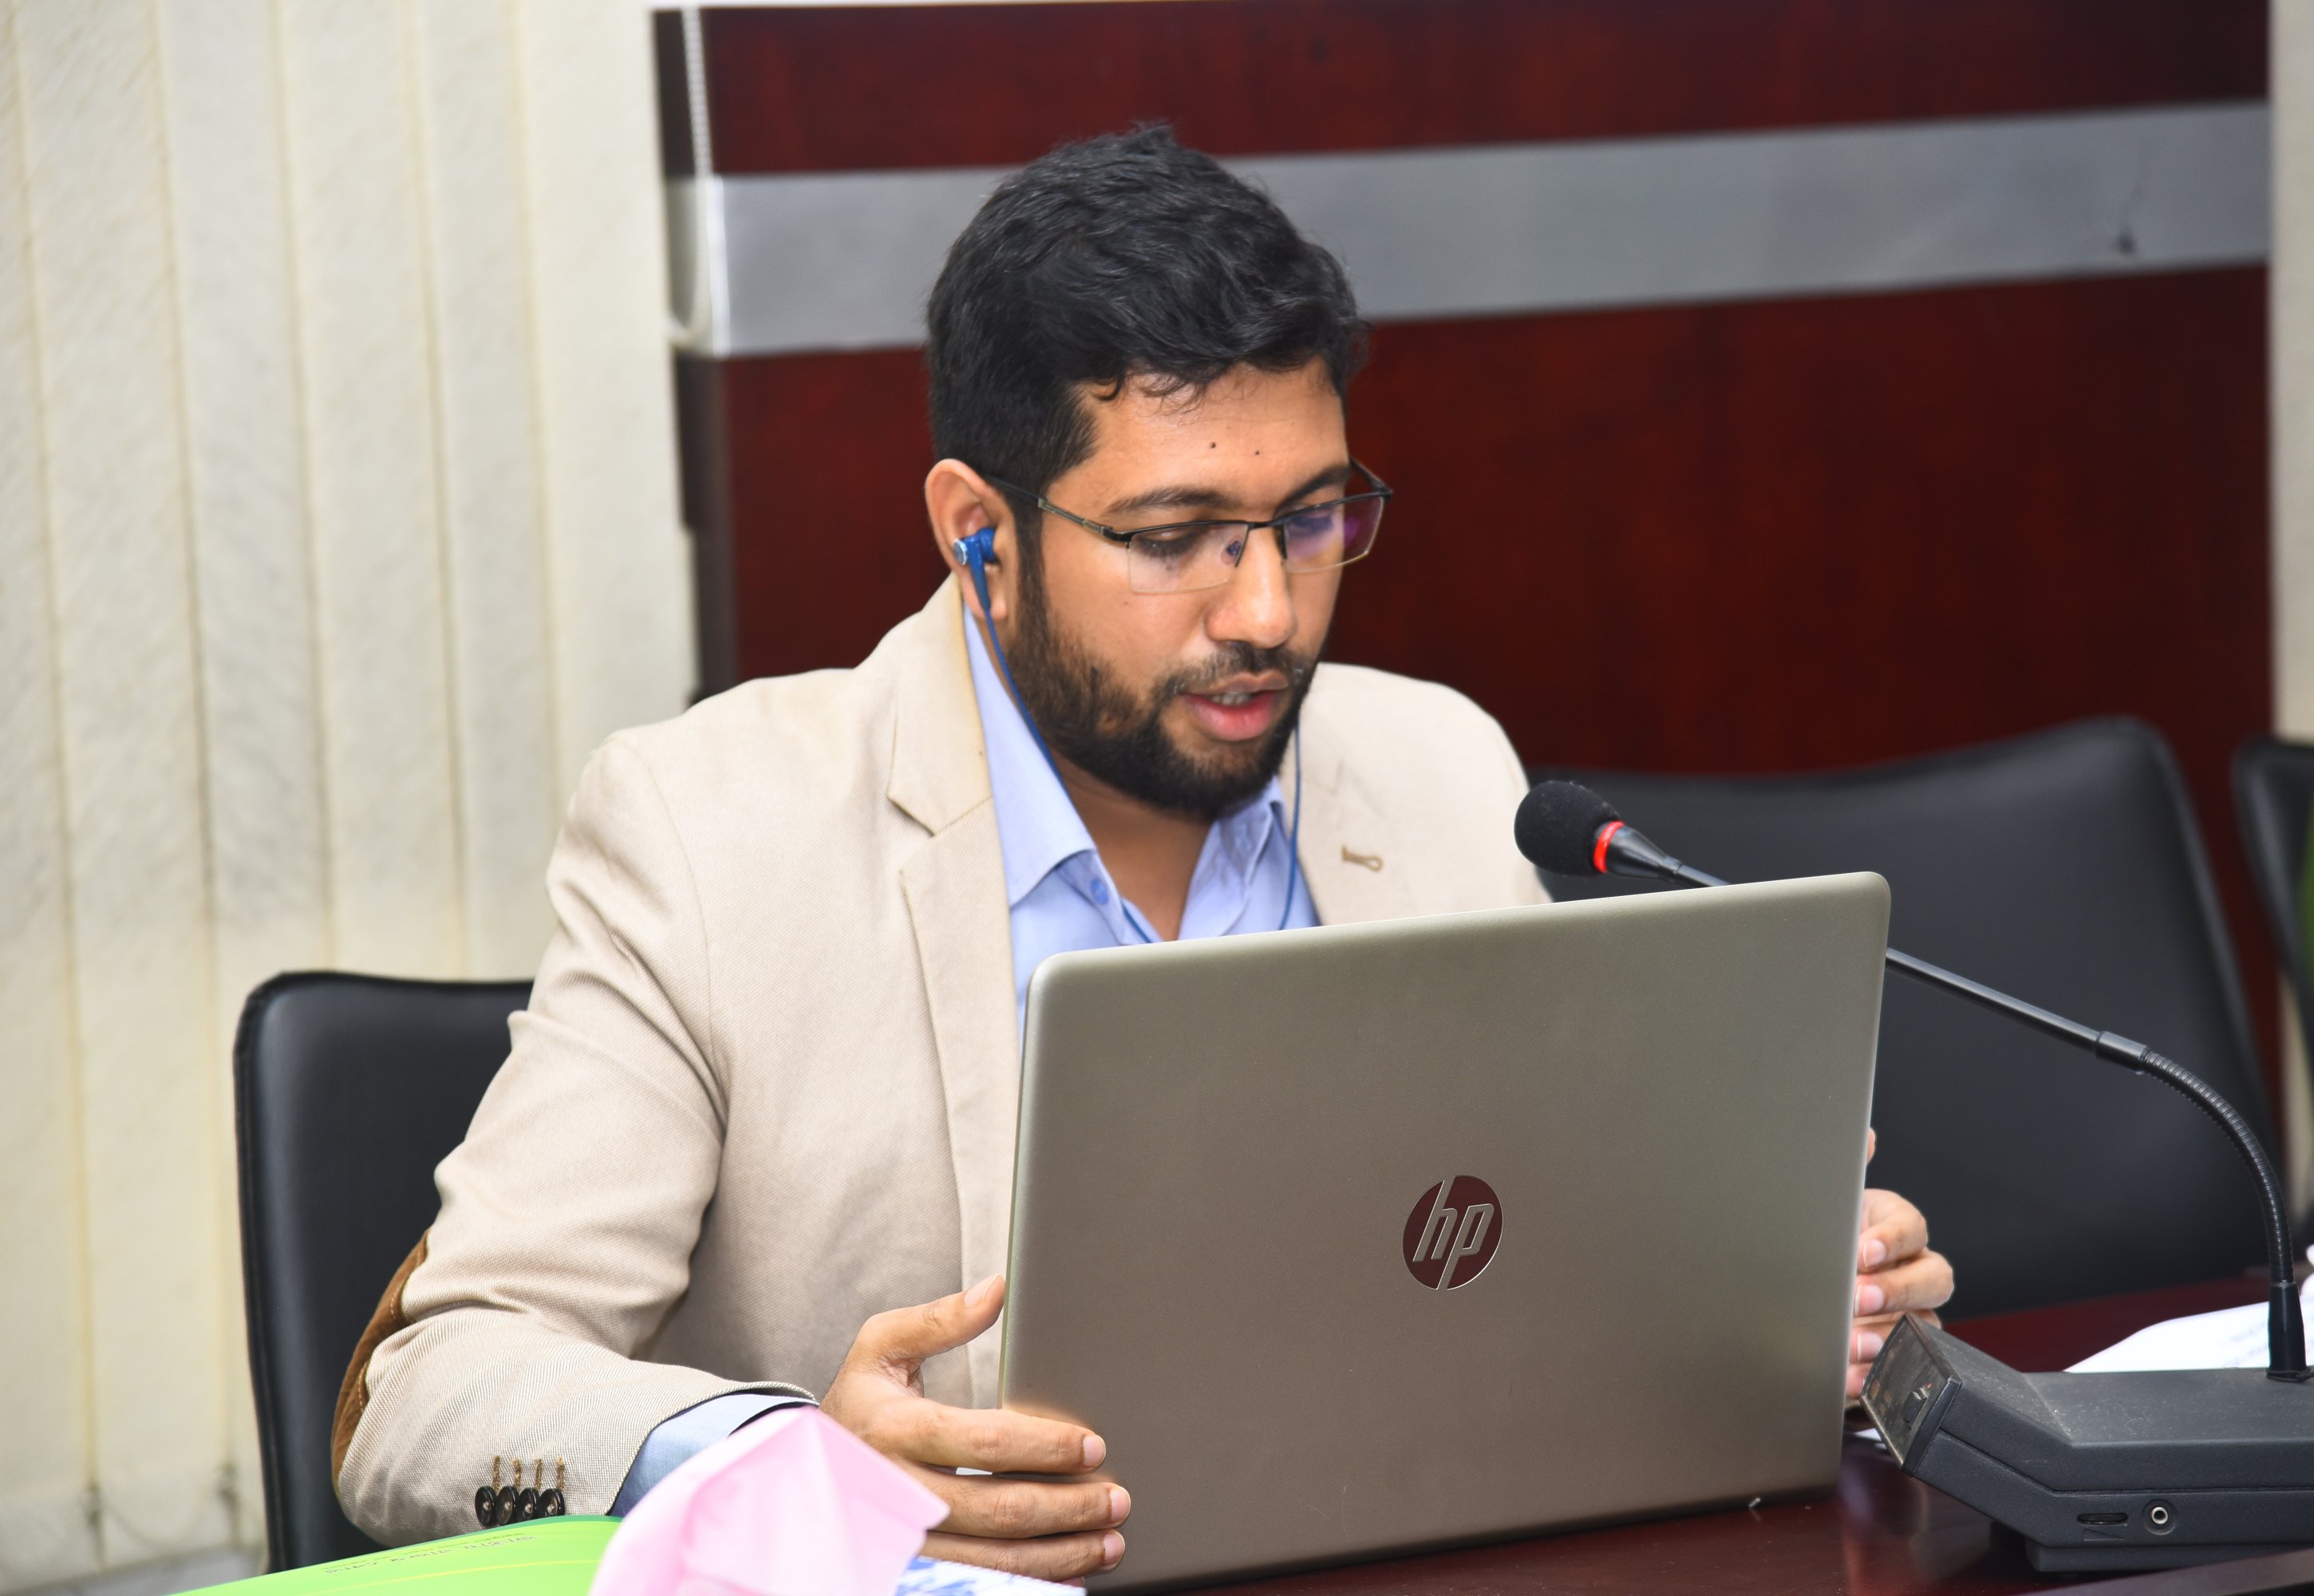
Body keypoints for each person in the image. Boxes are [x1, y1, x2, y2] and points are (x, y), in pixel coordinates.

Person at [333, 127, 1952, 1580]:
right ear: (979, 533)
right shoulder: (709, 831)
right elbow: (428, 1385)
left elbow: (1526, 1265)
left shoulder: (1440, 769)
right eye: (1174, 539)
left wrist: (1752, 1305)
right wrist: (788, 1467)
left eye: (1311, 518)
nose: (1267, 611)